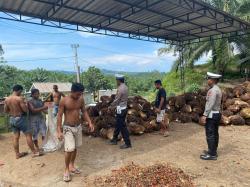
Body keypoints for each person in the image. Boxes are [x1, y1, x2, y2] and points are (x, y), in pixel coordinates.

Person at [57, 83, 94, 182]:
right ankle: (66, 170)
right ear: (72, 91)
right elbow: (60, 115)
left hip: (78, 127)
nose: (79, 96)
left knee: (75, 147)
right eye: (78, 94)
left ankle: (72, 165)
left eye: (81, 94)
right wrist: (59, 130)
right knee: (70, 149)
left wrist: (90, 122)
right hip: (68, 127)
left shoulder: (81, 99)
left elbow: (84, 111)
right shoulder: (64, 101)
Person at [4, 85, 42, 159]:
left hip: (12, 119)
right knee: (28, 135)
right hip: (21, 118)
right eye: (21, 91)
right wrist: (26, 104)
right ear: (18, 90)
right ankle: (34, 152)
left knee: (15, 137)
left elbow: (5, 111)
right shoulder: (19, 99)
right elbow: (25, 110)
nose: (21, 93)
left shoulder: (7, 99)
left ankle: (17, 154)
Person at [200, 72, 222, 160]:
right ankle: (213, 151)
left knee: (210, 134)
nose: (207, 80)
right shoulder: (217, 89)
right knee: (215, 133)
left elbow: (210, 103)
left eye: (208, 79)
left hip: (212, 114)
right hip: (216, 114)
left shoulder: (213, 90)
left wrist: (205, 115)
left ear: (213, 80)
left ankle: (212, 154)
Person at [108, 74, 132, 149]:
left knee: (123, 127)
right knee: (118, 124)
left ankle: (128, 143)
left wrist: (111, 106)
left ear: (118, 80)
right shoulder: (125, 87)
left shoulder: (121, 88)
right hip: (123, 108)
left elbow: (117, 100)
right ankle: (114, 139)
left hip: (121, 109)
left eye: (116, 80)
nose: (116, 82)